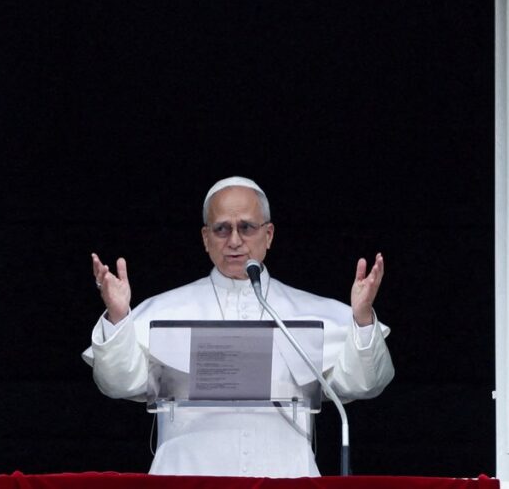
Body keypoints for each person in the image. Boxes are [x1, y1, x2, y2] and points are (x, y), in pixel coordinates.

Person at [81, 176, 394, 477]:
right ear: (206, 239)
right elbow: (118, 384)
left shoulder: (312, 312)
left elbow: (363, 385)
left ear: (268, 234)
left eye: (246, 227)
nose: (234, 240)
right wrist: (119, 317)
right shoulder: (164, 311)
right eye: (222, 229)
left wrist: (362, 319)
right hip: (187, 478)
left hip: (285, 478)